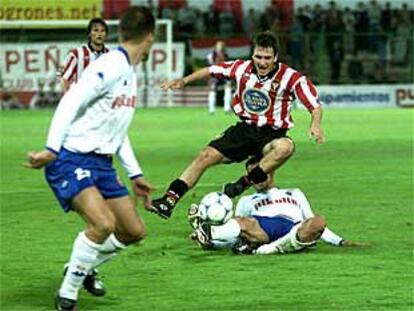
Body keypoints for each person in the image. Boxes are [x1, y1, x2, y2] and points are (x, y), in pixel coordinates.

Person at [25, 7, 155, 310]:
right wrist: (52, 149)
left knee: (134, 231)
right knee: (103, 224)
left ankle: (80, 267)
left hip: (101, 164)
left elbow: (117, 129)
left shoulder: (130, 73)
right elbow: (70, 100)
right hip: (71, 158)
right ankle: (67, 294)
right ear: (151, 36)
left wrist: (135, 175)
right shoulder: (111, 65)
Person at [150, 31, 324, 219]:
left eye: (267, 58)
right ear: (252, 55)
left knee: (285, 148)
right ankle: (168, 200)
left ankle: (243, 183)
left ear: (275, 57)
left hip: (272, 135)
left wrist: (315, 125)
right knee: (205, 156)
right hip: (245, 130)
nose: (262, 62)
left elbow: (314, 106)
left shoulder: (291, 77)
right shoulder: (241, 68)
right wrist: (183, 81)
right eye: (258, 57)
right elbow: (211, 70)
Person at [189, 158, 364, 254]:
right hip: (263, 227)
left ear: (271, 171)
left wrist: (340, 242)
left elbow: (310, 218)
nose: (255, 179)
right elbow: (238, 236)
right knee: (243, 223)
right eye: (251, 176)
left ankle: (267, 250)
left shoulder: (294, 193)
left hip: (293, 229)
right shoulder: (247, 200)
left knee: (318, 222)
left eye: (259, 174)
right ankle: (209, 233)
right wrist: (215, 245)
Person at [60, 17, 109, 93]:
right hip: (82, 101)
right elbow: (65, 80)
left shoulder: (109, 55)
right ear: (89, 34)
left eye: (102, 31)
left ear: (106, 34)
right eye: (95, 30)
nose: (99, 34)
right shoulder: (77, 53)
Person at [206, 40, 232, 114]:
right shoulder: (211, 55)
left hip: (224, 75)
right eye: (219, 46)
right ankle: (211, 109)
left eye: (222, 46)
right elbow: (209, 66)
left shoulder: (226, 55)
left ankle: (227, 108)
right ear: (216, 47)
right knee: (212, 91)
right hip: (214, 75)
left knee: (228, 89)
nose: (220, 47)